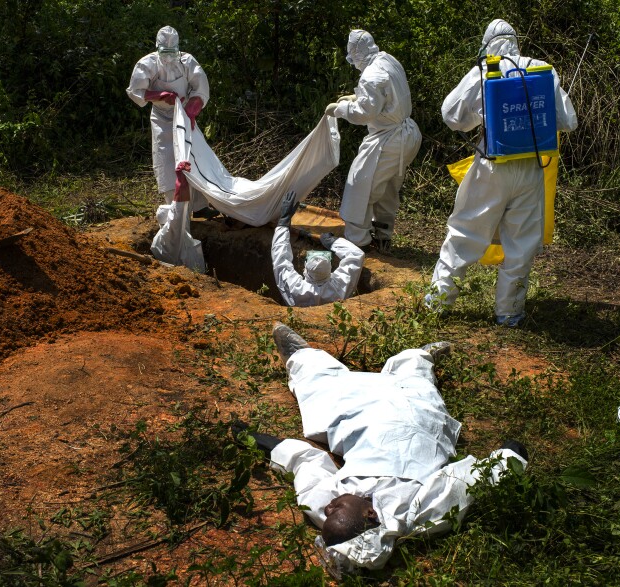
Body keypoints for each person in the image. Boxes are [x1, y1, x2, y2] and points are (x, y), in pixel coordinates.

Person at [247, 322, 528, 572]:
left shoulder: (331, 511)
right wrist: (509, 456)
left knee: (326, 395)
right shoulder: (418, 512)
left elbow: (305, 463)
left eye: (326, 515)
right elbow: (467, 485)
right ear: (370, 514)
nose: (328, 509)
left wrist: (251, 438)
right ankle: (420, 357)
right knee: (416, 387)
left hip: (361, 426)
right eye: (337, 511)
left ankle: (301, 356)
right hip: (417, 424)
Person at [428, 19, 578, 326]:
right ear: (515, 41)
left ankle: (438, 304)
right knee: (521, 244)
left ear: (487, 45)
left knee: (465, 234)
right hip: (533, 167)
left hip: (492, 166)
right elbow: (568, 121)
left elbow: (451, 114)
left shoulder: (486, 70)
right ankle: (509, 314)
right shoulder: (543, 70)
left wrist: (478, 113)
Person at [324, 30, 422, 253]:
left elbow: (365, 112)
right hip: (407, 135)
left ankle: (357, 241)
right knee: (387, 187)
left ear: (357, 53)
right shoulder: (388, 59)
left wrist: (341, 109)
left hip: (389, 139)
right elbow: (385, 97)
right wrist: (355, 97)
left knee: (360, 184)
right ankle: (383, 235)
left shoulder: (370, 75)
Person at [126, 26, 210, 212]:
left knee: (194, 156)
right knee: (166, 159)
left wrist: (191, 111)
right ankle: (175, 207)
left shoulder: (188, 62)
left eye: (173, 52)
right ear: (158, 48)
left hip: (186, 115)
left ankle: (200, 206)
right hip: (161, 118)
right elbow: (136, 91)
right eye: (165, 52)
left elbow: (200, 89)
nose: (169, 56)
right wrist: (160, 95)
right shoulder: (147, 64)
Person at [271, 191, 365, 307]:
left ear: (305, 269)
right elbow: (356, 255)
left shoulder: (296, 288)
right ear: (331, 269)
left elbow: (280, 259)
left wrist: (283, 222)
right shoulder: (339, 287)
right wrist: (332, 242)